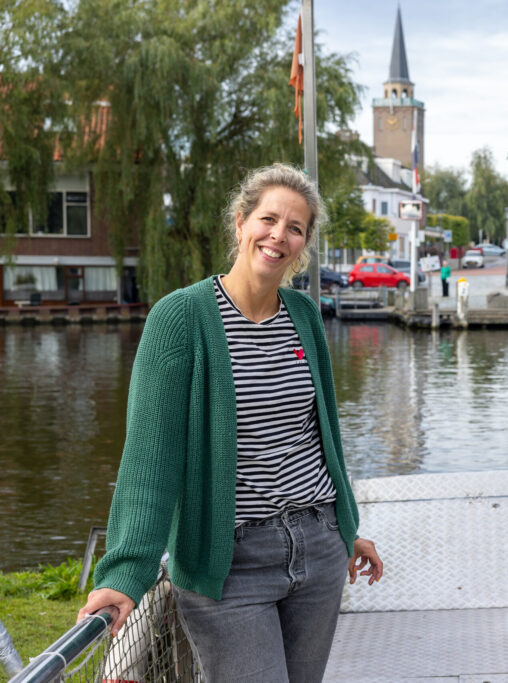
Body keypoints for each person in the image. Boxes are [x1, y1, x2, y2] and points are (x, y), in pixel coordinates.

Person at [78, 163, 384, 682]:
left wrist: (347, 527)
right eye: (268, 219)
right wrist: (126, 572)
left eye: (295, 228)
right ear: (240, 223)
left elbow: (321, 434)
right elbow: (150, 458)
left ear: (303, 243)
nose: (278, 236)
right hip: (229, 564)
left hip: (317, 546)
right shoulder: (182, 318)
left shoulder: (304, 315)